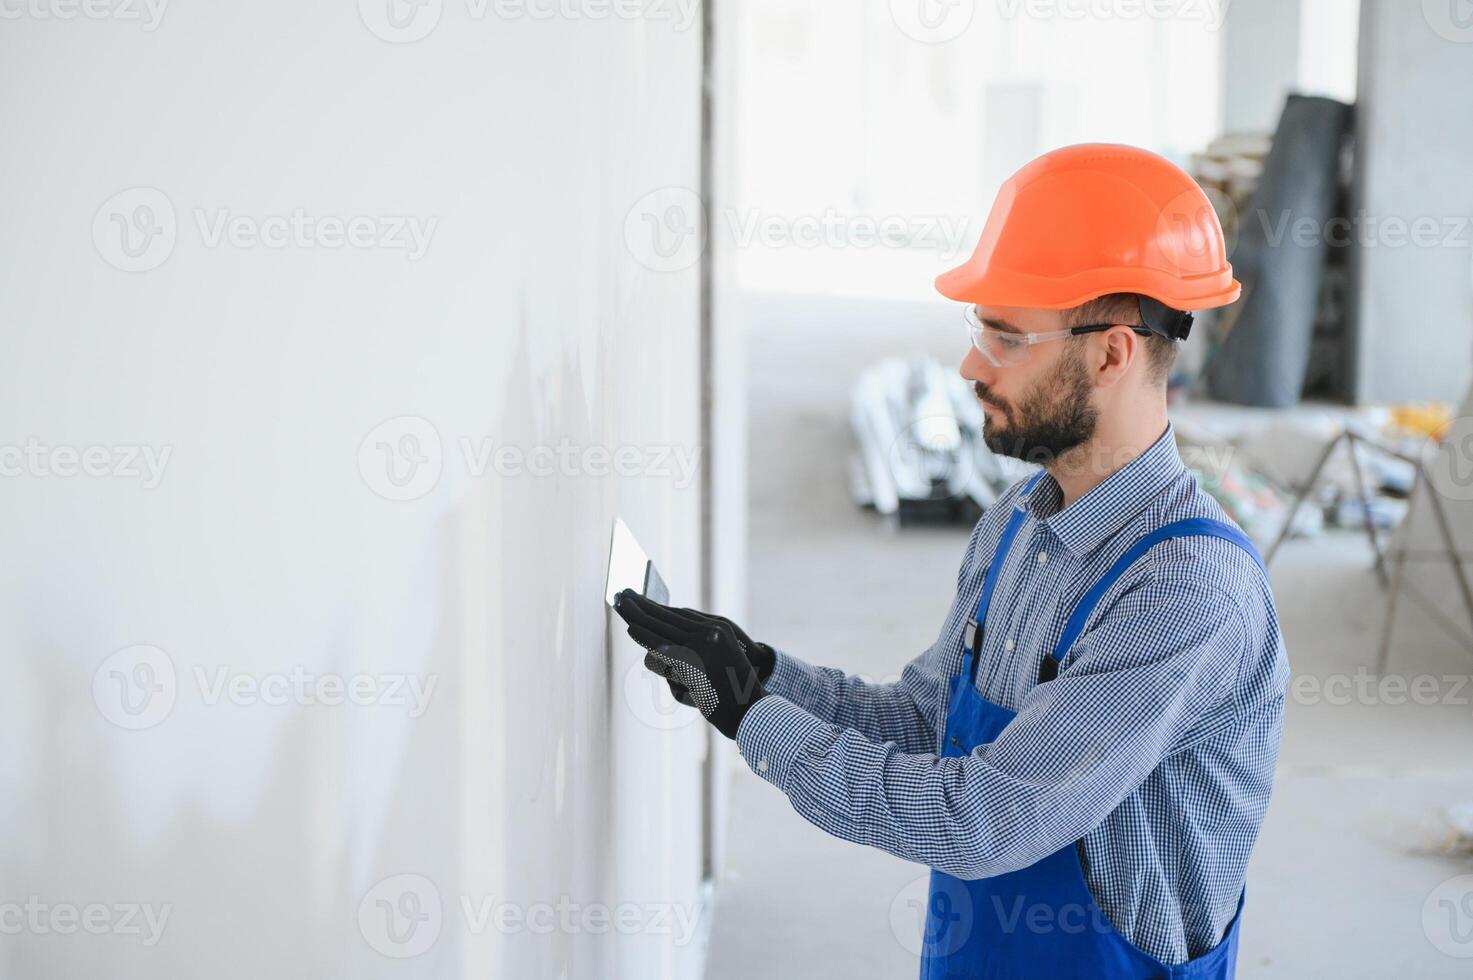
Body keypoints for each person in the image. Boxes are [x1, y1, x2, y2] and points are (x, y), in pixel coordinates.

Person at [614, 143, 1289, 980]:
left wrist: (753, 720)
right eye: (980, 330)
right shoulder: (1017, 522)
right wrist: (762, 673)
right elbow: (930, 724)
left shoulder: (1185, 592)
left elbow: (984, 823)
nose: (971, 366)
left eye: (1005, 337)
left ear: (1112, 354)